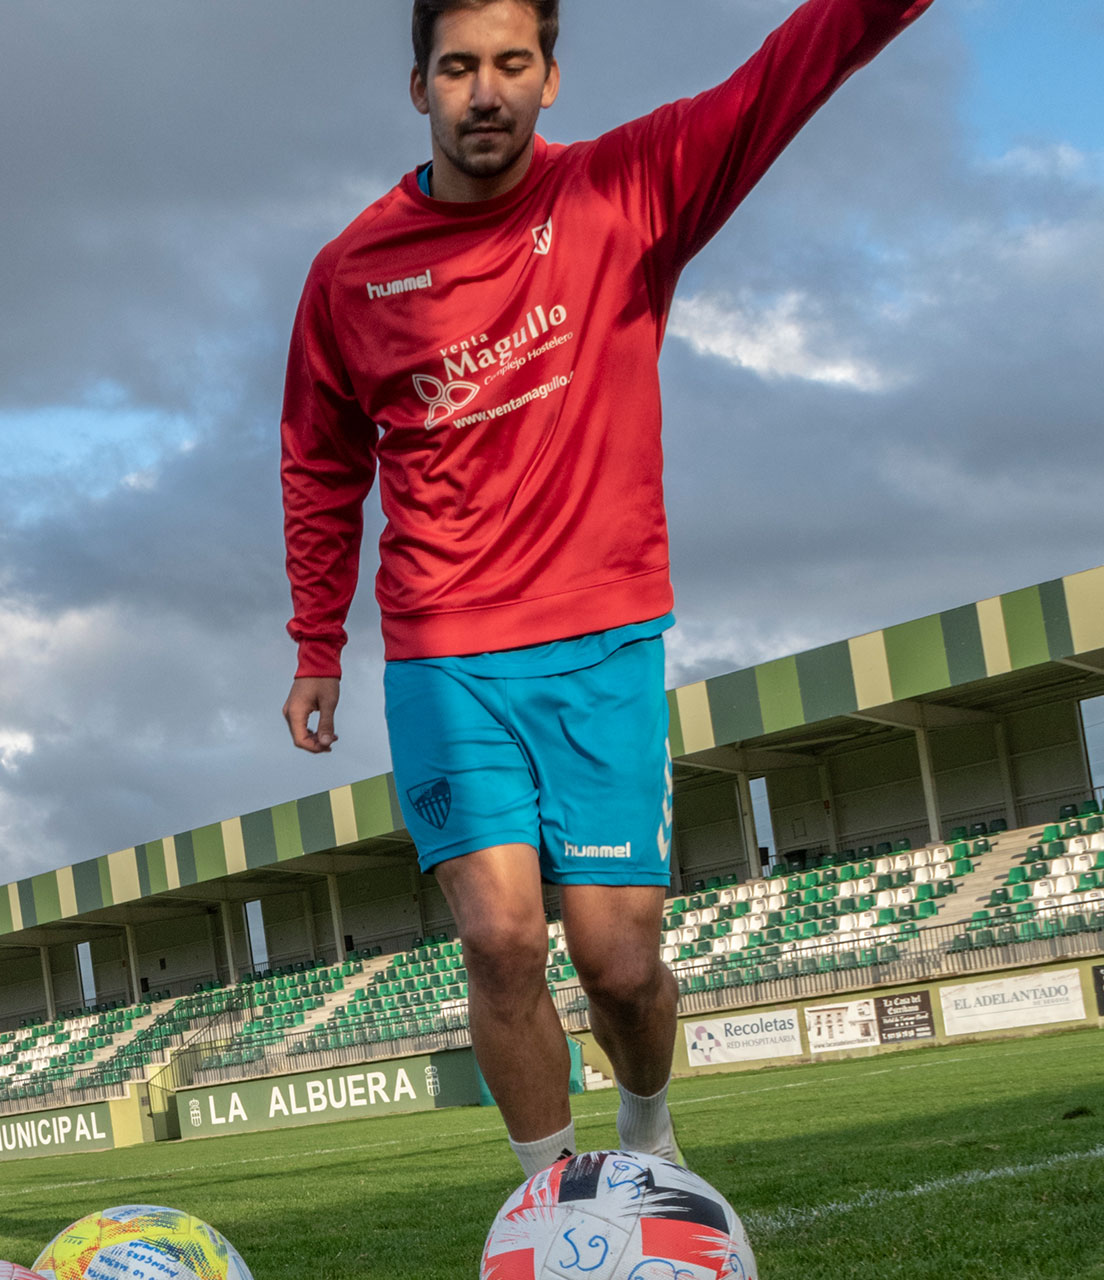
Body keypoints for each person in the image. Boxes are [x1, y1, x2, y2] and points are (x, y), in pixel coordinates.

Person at [279, 0, 932, 1177]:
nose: (487, 91)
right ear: (417, 85)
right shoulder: (349, 274)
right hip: (444, 653)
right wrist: (317, 640)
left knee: (621, 966)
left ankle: (650, 1142)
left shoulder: (628, 191)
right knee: (499, 939)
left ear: (551, 78)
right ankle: (549, 1210)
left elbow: (792, 69)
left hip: (602, 641)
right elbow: (319, 464)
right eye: (461, 66)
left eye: (512, 65)